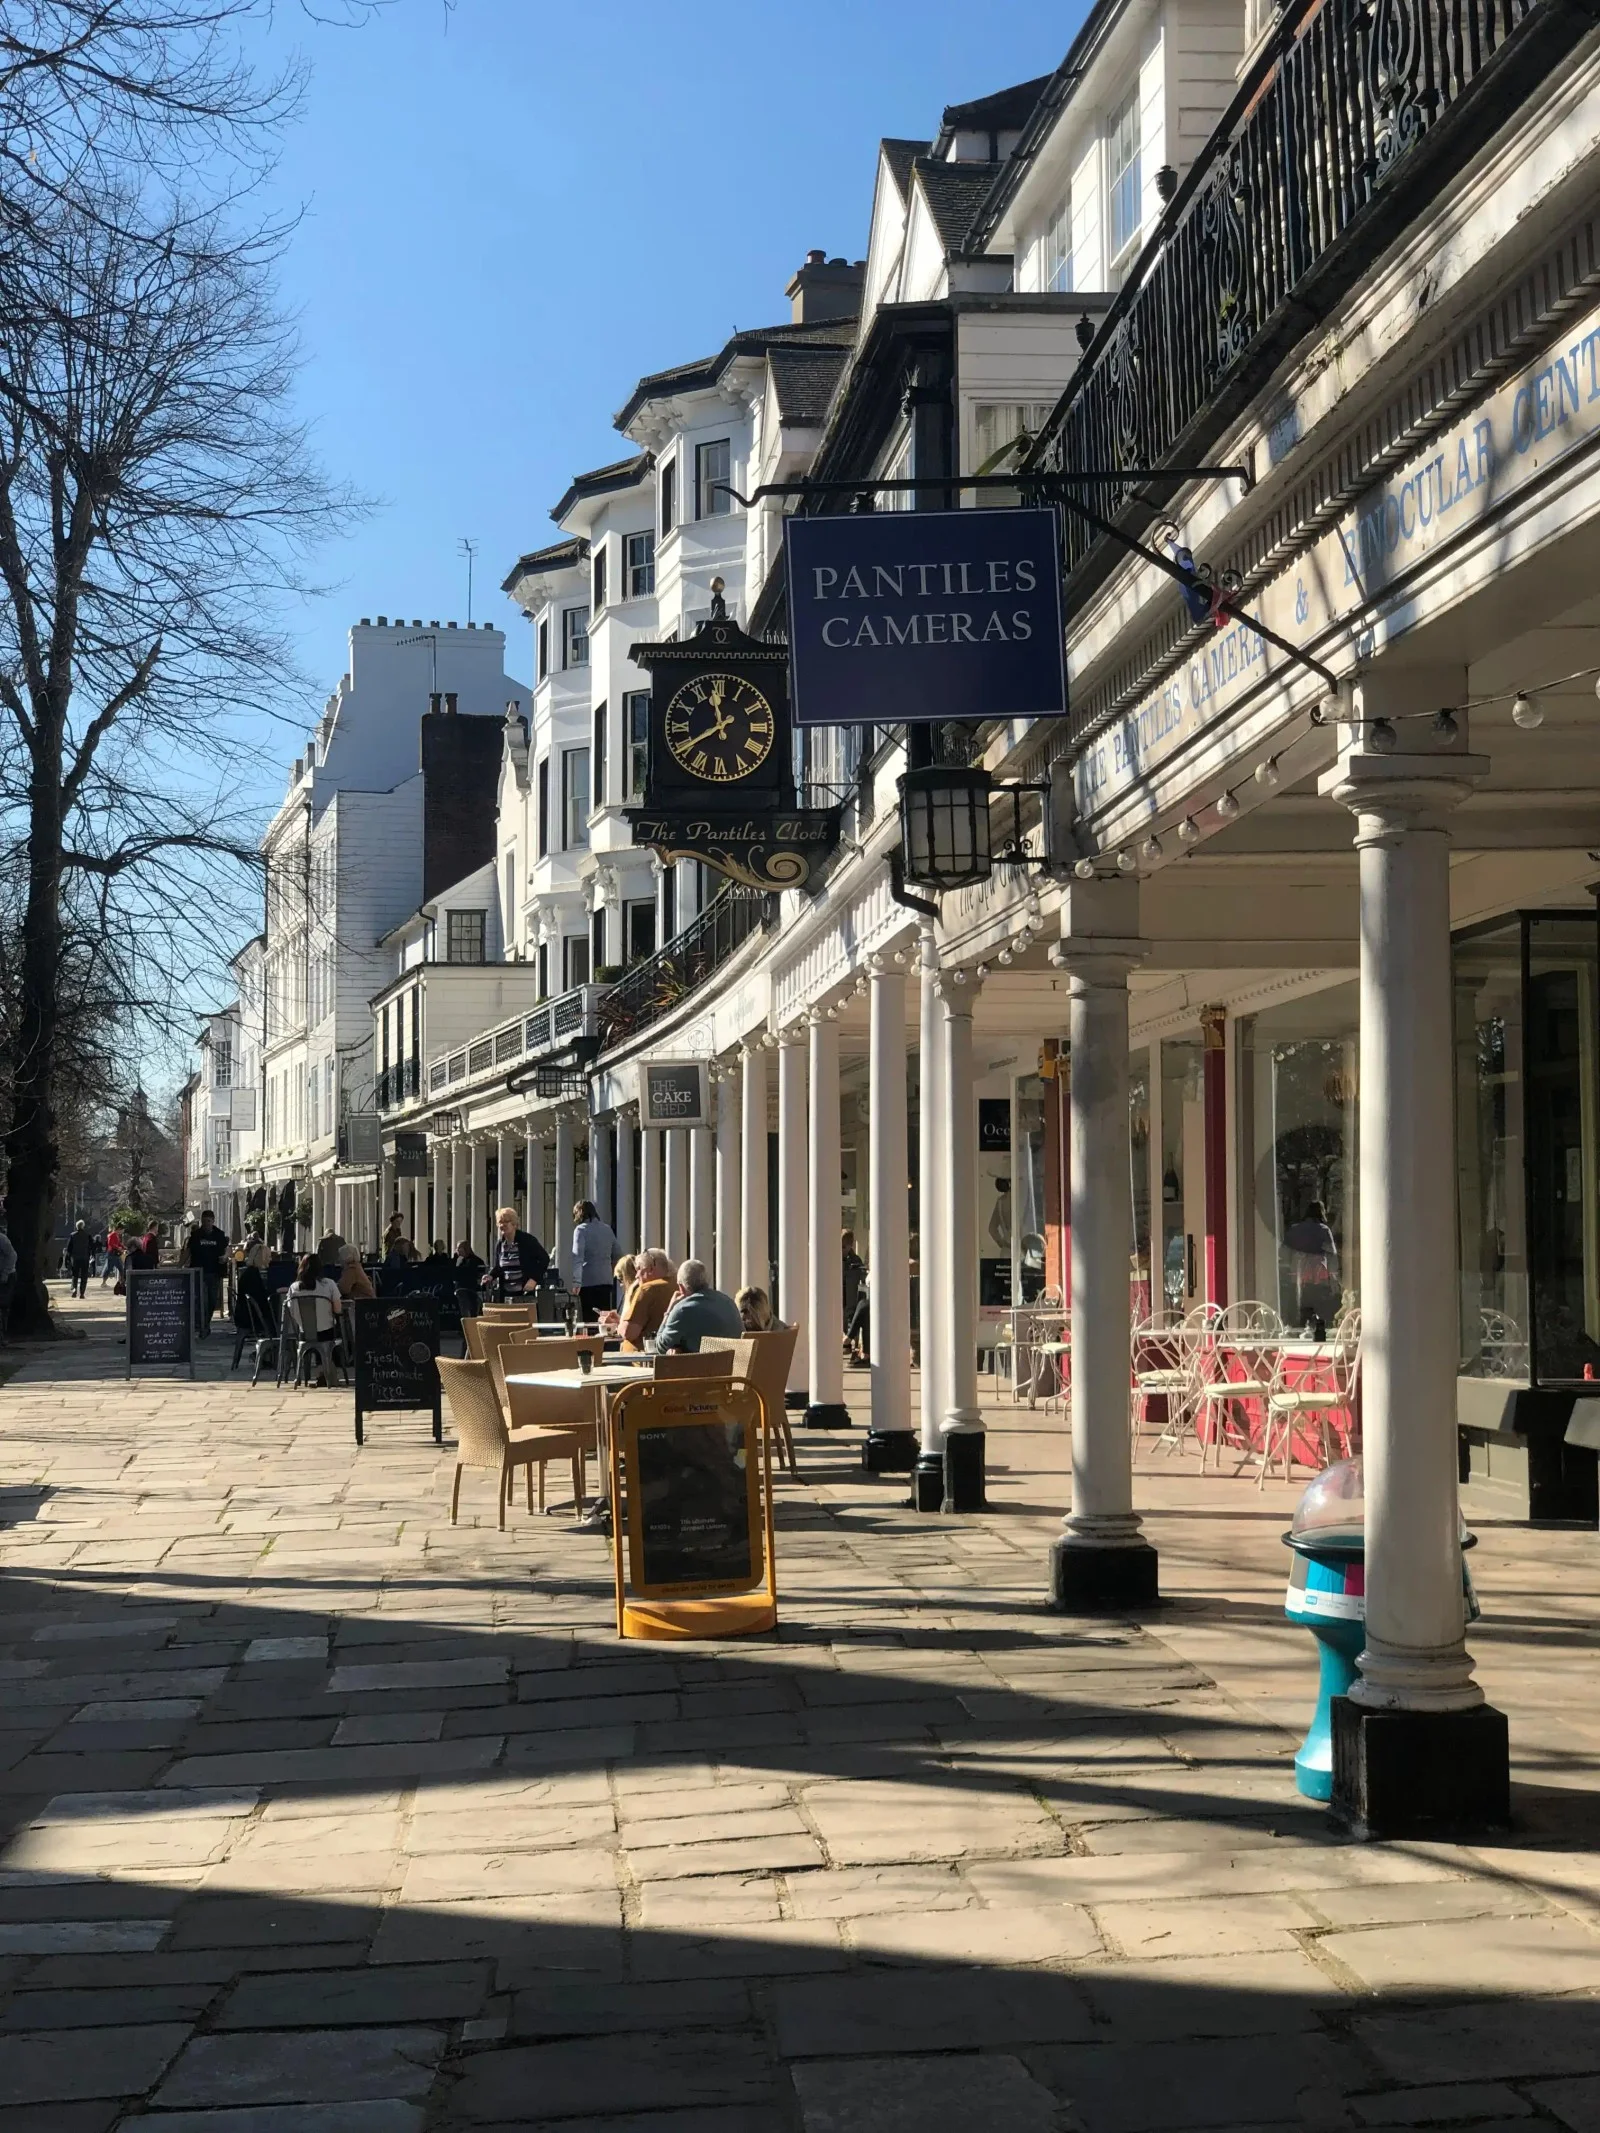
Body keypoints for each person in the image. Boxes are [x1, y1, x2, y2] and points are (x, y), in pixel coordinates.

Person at [655, 1258, 743, 1354]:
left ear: (681, 1287)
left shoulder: (682, 1310)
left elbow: (660, 1347)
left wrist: (669, 1311)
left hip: (699, 1368)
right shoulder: (729, 1303)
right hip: (734, 1367)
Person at [1284, 1198, 1340, 1331]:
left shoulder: (1295, 1230)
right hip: (1319, 1276)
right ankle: (1319, 1332)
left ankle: (1300, 1331)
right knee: (1320, 1308)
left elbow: (1284, 1254)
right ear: (1321, 1213)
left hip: (1298, 1275)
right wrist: (1334, 1277)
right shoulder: (1323, 1230)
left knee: (1301, 1309)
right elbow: (1331, 1255)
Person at [618, 1249, 677, 1352]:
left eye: (639, 1269)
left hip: (639, 1358)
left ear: (650, 1269)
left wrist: (619, 1326)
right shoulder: (677, 1286)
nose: (636, 1276)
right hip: (668, 1354)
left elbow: (629, 1333)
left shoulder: (647, 1289)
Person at [570, 1200, 618, 1321]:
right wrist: (610, 1272)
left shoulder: (580, 1230)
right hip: (606, 1281)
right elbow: (618, 1254)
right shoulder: (607, 1229)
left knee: (590, 1320)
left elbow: (577, 1257)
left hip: (588, 1282)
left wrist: (576, 1282)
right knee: (605, 1319)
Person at [185, 1209, 230, 1335]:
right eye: (204, 1221)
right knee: (201, 1299)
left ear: (213, 1221)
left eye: (209, 1221)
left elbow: (227, 1249)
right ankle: (202, 1326)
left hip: (214, 1272)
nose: (206, 1224)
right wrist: (180, 1266)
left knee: (212, 1300)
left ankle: (206, 1322)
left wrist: (225, 1257)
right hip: (198, 1271)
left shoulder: (219, 1234)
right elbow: (188, 1251)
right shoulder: (196, 1235)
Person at [490, 1205, 549, 1299]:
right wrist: (490, 1276)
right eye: (500, 1222)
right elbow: (499, 1267)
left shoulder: (527, 1240)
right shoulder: (500, 1244)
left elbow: (544, 1259)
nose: (502, 1225)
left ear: (514, 1224)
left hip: (526, 1293)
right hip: (506, 1295)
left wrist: (533, 1280)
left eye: (506, 1222)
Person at [453, 1238, 487, 1316]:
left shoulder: (474, 1260)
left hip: (470, 1288)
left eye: (459, 1248)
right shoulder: (461, 1260)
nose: (457, 1250)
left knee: (470, 1308)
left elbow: (466, 1273)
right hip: (461, 1288)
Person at [65, 1219, 94, 1299]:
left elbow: (69, 1248)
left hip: (75, 1258)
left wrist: (68, 1258)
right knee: (84, 1276)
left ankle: (74, 1290)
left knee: (75, 1275)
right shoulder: (88, 1235)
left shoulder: (72, 1235)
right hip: (85, 1258)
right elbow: (92, 1246)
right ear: (83, 1226)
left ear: (76, 1226)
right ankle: (82, 1293)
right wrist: (91, 1254)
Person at [0, 1226, 16, 1342]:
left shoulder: (2, 1239)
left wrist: (5, 1273)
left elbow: (12, 1256)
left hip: (7, 1275)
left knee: (3, 1305)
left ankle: (3, 1335)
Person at [101, 1223, 123, 1287]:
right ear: (119, 1229)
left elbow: (119, 1243)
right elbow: (111, 1243)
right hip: (112, 1254)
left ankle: (122, 1282)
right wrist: (118, 1248)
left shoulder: (116, 1235)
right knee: (108, 1268)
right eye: (122, 1230)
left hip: (115, 1254)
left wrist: (124, 1247)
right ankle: (103, 1282)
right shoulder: (112, 1235)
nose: (122, 1231)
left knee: (121, 1268)